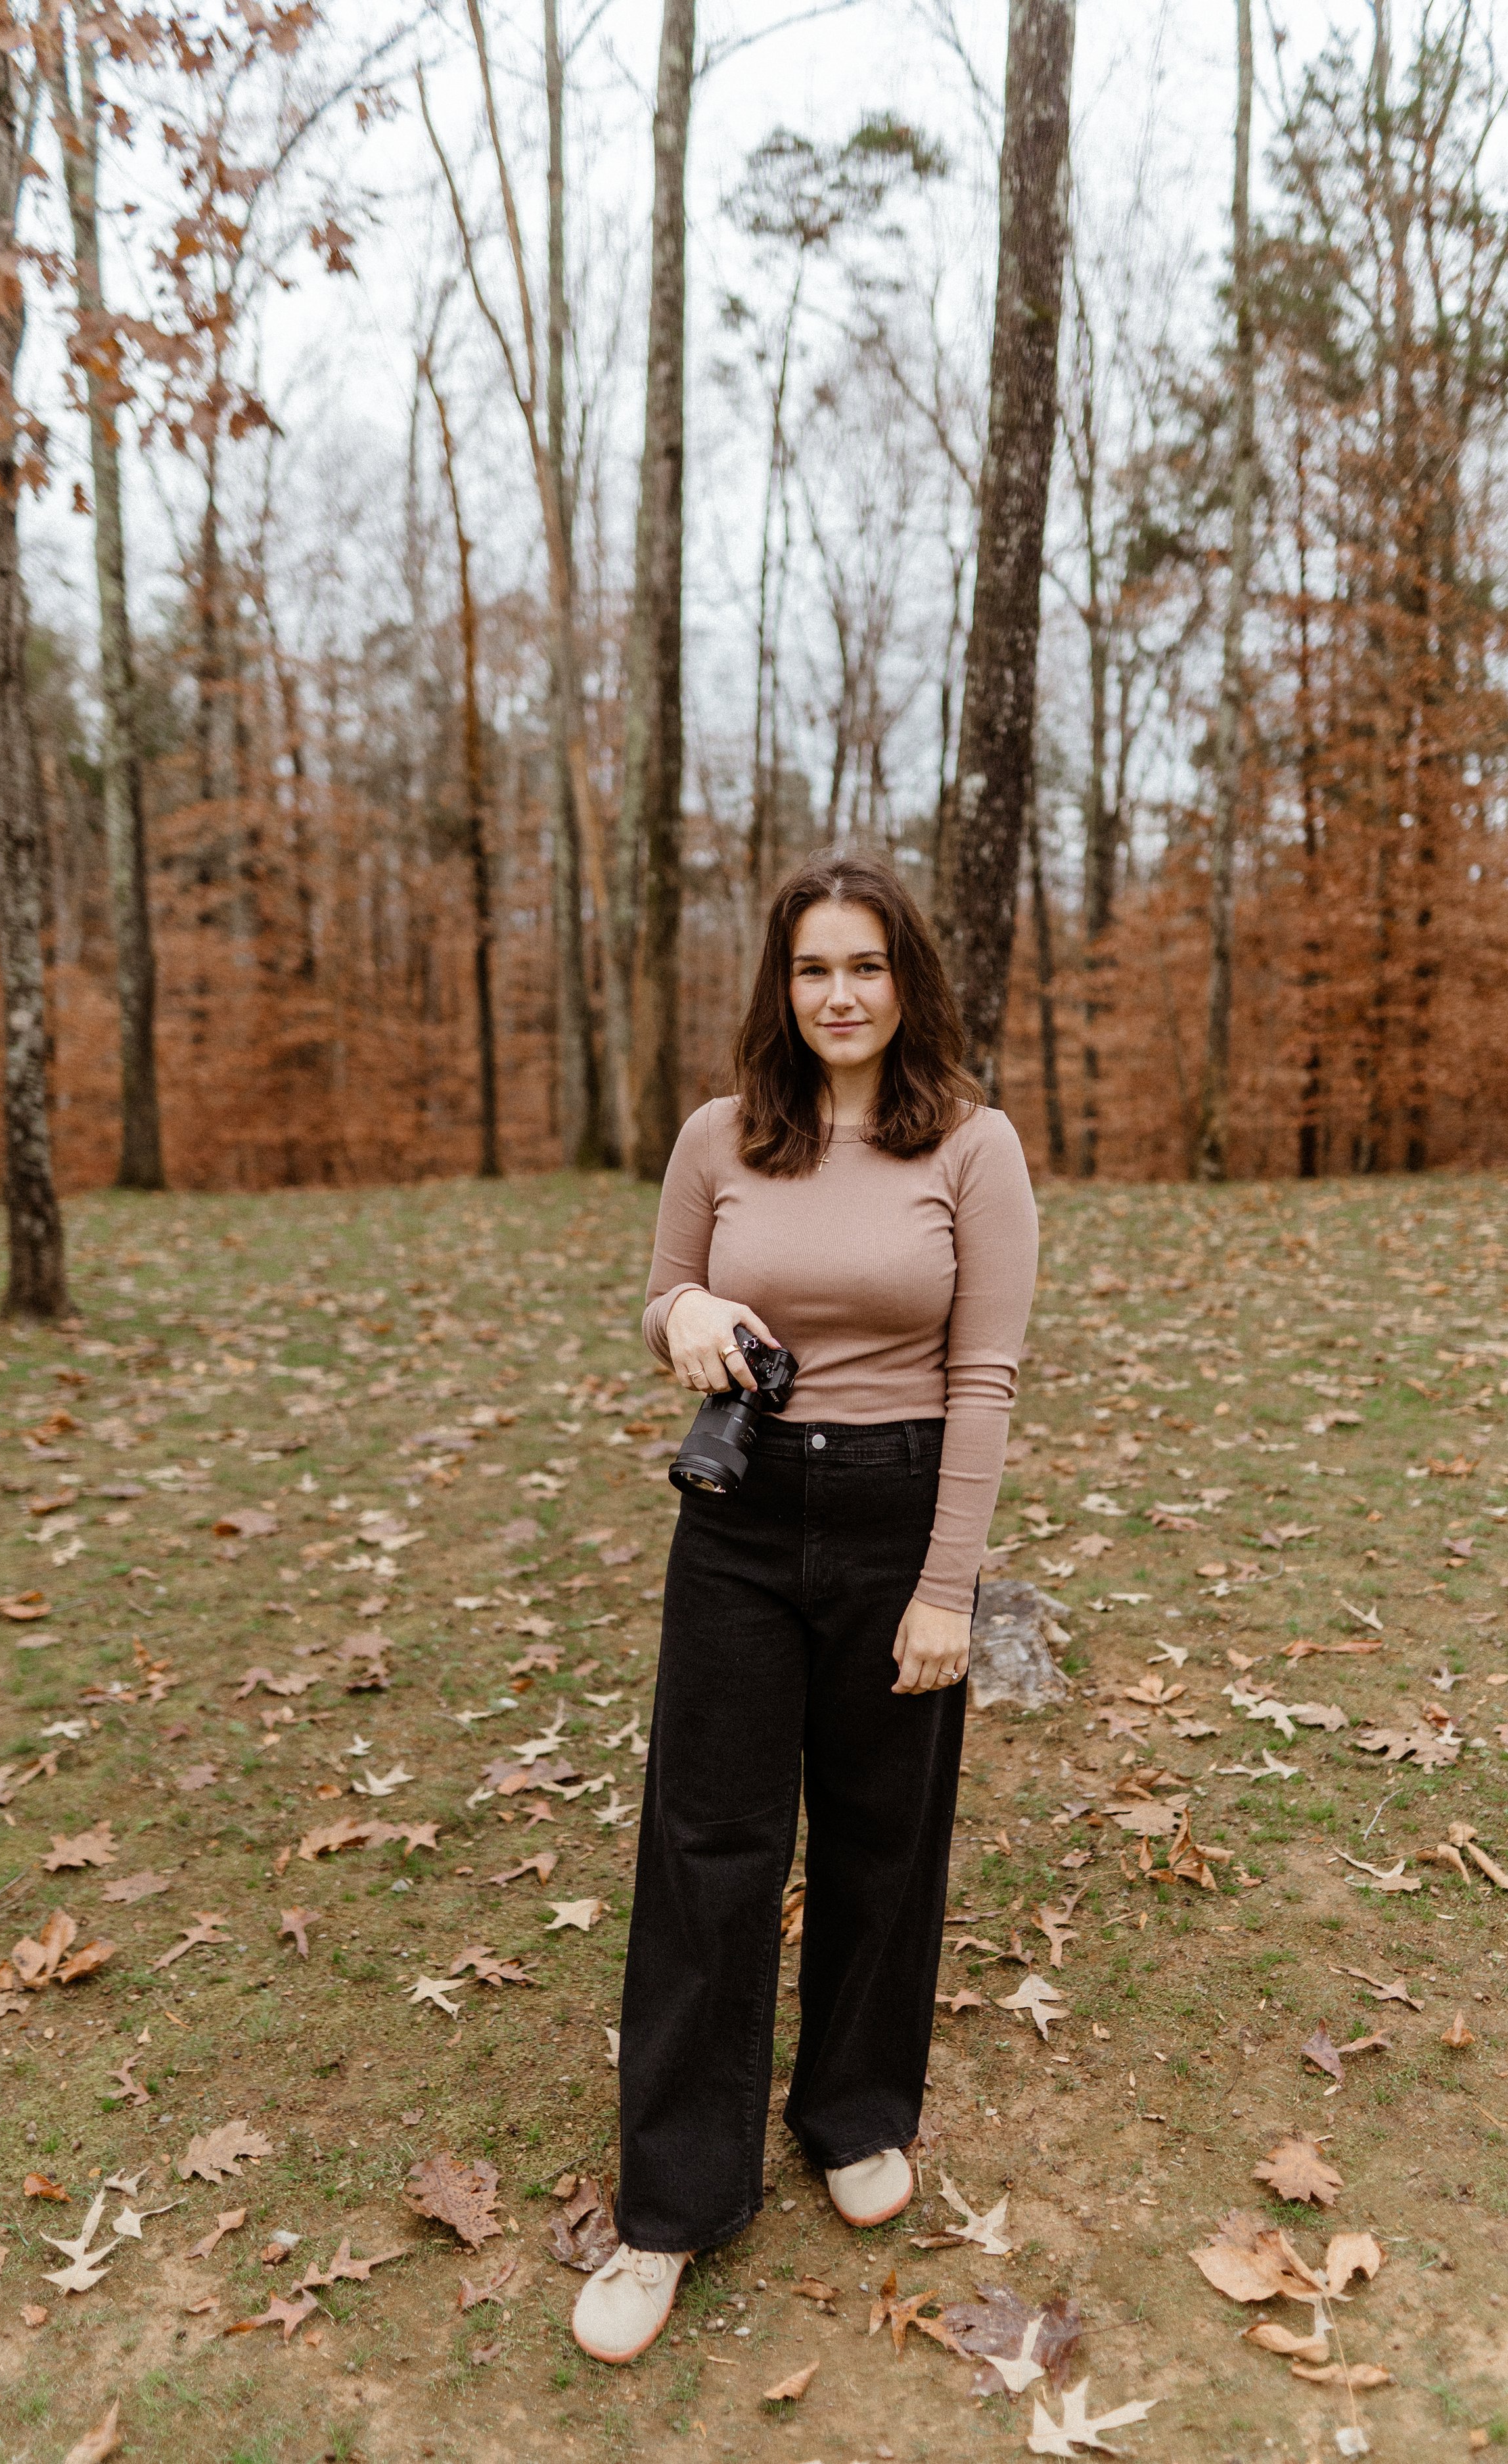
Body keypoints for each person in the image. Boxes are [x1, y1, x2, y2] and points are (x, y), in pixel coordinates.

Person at [571, 850, 1038, 2365]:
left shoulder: (972, 1148)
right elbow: (658, 1306)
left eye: (866, 966)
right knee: (707, 1843)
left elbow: (984, 1379)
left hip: (900, 1506)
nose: (839, 994)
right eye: (812, 968)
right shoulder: (719, 1138)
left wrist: (946, 1587)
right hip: (740, 1517)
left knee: (881, 1833)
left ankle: (850, 2117)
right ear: (781, 986)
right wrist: (687, 1314)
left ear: (908, 983)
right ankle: (670, 2203)